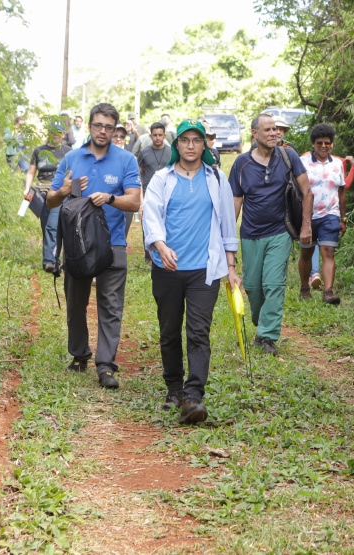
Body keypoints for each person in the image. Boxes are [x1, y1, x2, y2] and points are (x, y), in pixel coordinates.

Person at [143, 120, 241, 424]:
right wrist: (160, 246)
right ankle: (174, 388)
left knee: (199, 332)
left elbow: (227, 223)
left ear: (204, 145)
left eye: (196, 140)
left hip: (204, 270)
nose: (190, 145)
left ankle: (193, 396)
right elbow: (150, 215)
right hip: (167, 268)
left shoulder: (216, 178)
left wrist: (231, 267)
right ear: (176, 145)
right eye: (184, 140)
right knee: (169, 331)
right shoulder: (162, 178)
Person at [46, 102, 141, 390]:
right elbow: (50, 200)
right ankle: (79, 354)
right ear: (89, 126)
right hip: (78, 244)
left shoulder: (126, 159)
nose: (103, 131)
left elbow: (134, 201)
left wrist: (110, 198)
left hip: (113, 243)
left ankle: (105, 364)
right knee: (76, 303)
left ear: (115, 130)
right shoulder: (72, 158)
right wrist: (64, 190)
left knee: (111, 306)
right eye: (98, 125)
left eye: (109, 127)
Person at [229, 113, 313, 356]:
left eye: (275, 129)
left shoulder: (288, 156)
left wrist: (306, 226)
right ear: (255, 134)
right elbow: (236, 202)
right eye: (267, 129)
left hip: (280, 231)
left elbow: (307, 192)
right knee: (253, 287)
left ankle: (267, 336)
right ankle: (261, 323)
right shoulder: (241, 163)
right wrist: (228, 239)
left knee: (274, 284)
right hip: (250, 235)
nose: (274, 133)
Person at [298, 123, 354, 304]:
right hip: (307, 216)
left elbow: (341, 192)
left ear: (332, 144)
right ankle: (304, 287)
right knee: (306, 254)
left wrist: (343, 217)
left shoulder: (338, 164)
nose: (323, 146)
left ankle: (328, 292)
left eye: (327, 143)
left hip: (330, 215)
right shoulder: (302, 162)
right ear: (313, 144)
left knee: (329, 252)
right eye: (319, 143)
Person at [23, 122, 71, 273]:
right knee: (46, 227)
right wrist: (27, 188)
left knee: (52, 225)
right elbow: (31, 172)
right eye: (53, 131)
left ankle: (50, 261)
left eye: (59, 132)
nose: (55, 134)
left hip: (58, 193)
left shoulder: (68, 152)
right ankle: (55, 258)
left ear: (63, 134)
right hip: (41, 193)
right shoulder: (39, 151)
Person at [137, 123, 172, 261]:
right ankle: (149, 257)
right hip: (148, 194)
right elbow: (139, 176)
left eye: (160, 135)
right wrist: (141, 201)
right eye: (155, 135)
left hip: (167, 193)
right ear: (150, 136)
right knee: (148, 223)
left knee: (167, 223)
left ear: (164, 136)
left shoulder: (171, 152)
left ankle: (165, 252)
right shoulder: (144, 152)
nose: (157, 138)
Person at [112, 125, 135, 238]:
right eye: (115, 136)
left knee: (122, 235)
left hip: (126, 200)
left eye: (121, 137)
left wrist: (141, 202)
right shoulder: (102, 155)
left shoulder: (130, 158)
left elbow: (137, 182)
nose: (118, 139)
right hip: (108, 200)